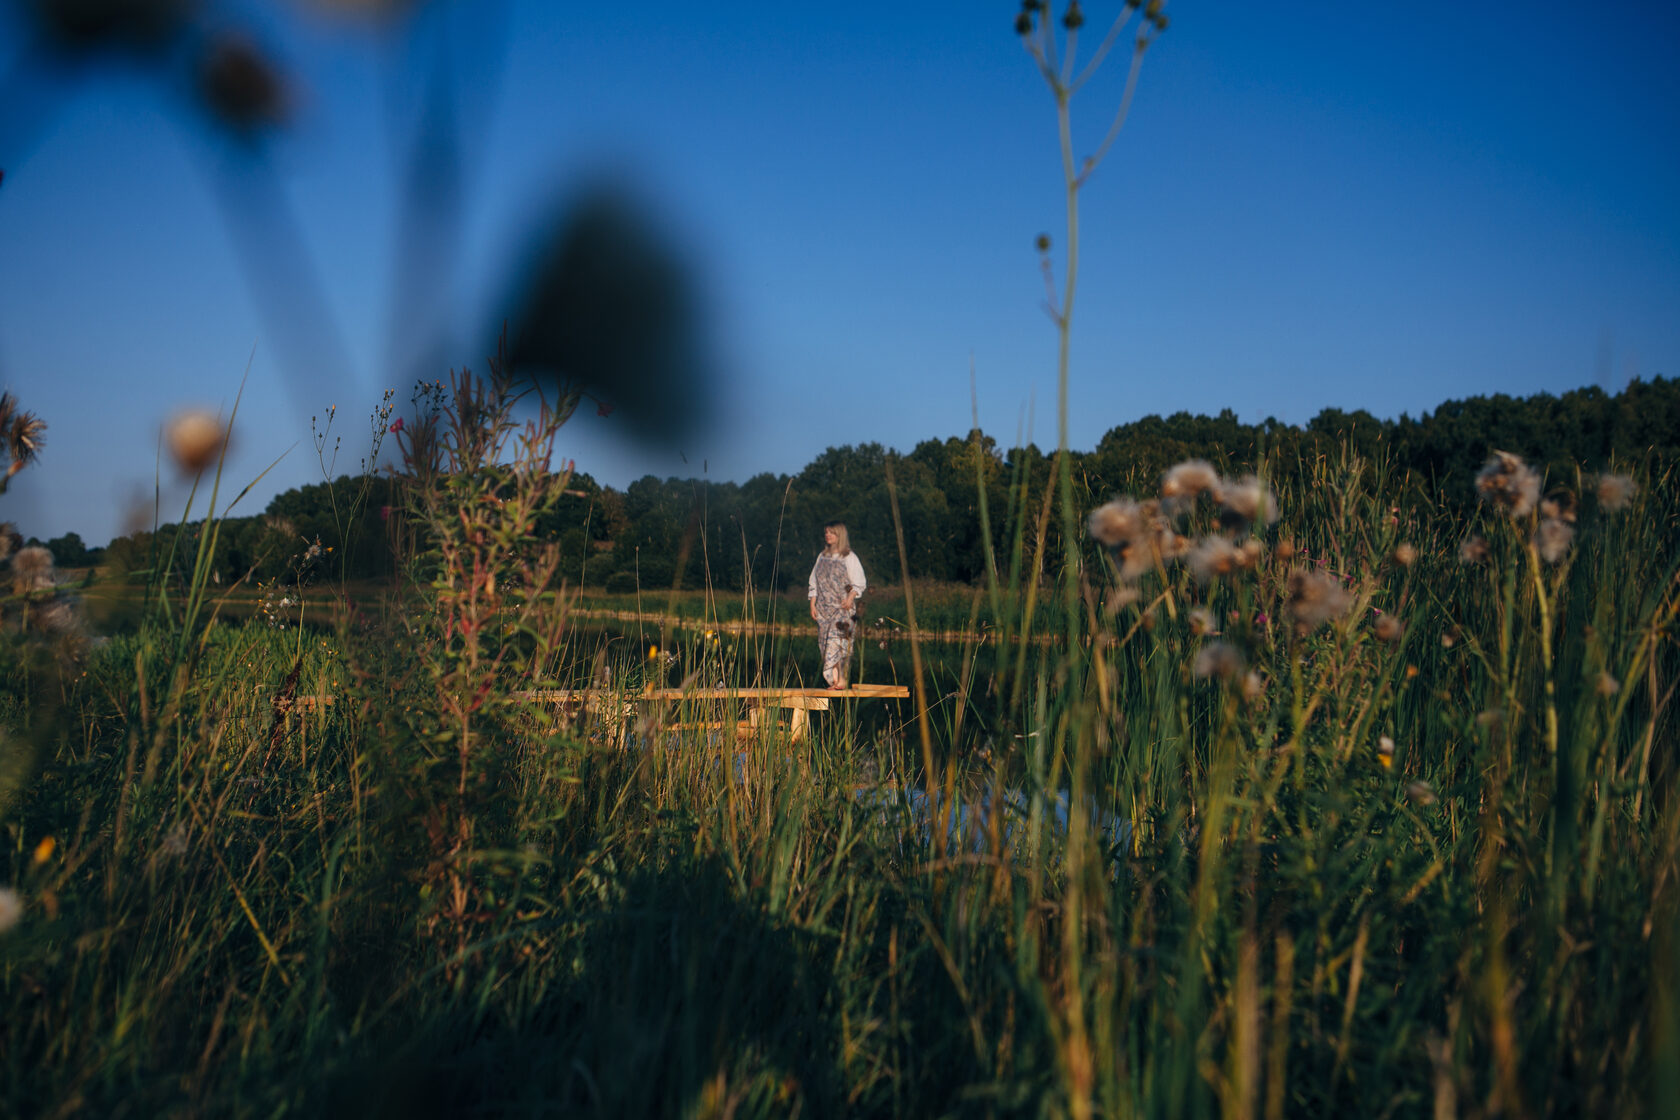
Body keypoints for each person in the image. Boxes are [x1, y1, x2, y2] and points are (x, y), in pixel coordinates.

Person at [808, 521, 866, 690]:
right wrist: (813, 604)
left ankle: (842, 680)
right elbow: (813, 582)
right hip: (824, 609)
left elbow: (859, 582)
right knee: (826, 645)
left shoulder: (849, 556)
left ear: (839, 535)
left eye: (831, 532)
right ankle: (835, 682)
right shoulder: (822, 556)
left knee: (838, 642)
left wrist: (850, 599)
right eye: (826, 532)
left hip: (842, 609)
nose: (827, 535)